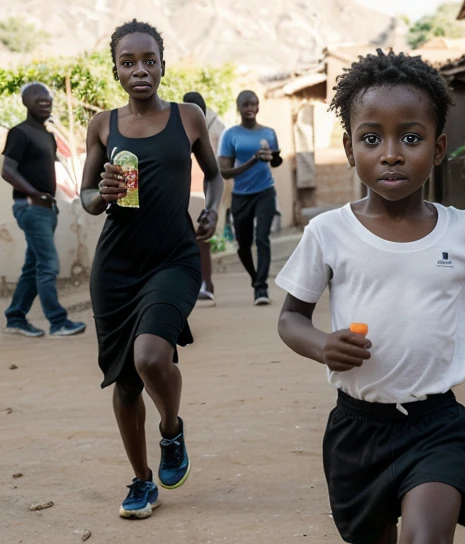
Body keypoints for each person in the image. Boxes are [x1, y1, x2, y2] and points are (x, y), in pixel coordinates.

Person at [275, 50, 465, 544]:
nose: (392, 153)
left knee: (425, 538)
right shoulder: (327, 232)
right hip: (357, 429)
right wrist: (321, 344)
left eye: (412, 138)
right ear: (350, 145)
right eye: (372, 138)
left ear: (438, 148)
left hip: (437, 423)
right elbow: (291, 318)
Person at [80, 20, 223, 519]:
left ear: (163, 64)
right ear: (116, 70)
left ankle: (171, 429)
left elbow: (215, 175)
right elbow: (87, 199)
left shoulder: (189, 118)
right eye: (128, 62)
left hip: (174, 258)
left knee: (150, 357)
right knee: (123, 382)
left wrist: (212, 209)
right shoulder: (103, 124)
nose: (140, 70)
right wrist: (105, 193)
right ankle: (141, 481)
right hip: (116, 267)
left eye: (149, 60)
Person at [2, 82, 86, 338]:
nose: (46, 103)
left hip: (46, 208)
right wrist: (34, 192)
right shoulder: (20, 132)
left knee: (33, 265)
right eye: (39, 100)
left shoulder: (47, 134)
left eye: (48, 100)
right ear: (27, 103)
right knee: (48, 265)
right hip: (30, 208)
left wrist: (65, 190)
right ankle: (57, 322)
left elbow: (50, 169)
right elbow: (7, 169)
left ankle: (16, 316)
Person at [218, 90, 282, 305]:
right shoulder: (231, 135)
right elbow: (224, 171)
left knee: (262, 238)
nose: (250, 108)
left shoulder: (269, 133)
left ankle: (261, 288)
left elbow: (275, 162)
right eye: (246, 104)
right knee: (243, 244)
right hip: (241, 196)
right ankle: (255, 279)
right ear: (239, 107)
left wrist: (273, 156)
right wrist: (253, 161)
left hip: (265, 191)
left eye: (254, 104)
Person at [183, 91, 225, 303]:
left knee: (202, 239)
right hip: (184, 191)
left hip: (205, 189)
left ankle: (206, 284)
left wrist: (213, 206)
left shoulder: (216, 128)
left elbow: (217, 170)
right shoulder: (178, 126)